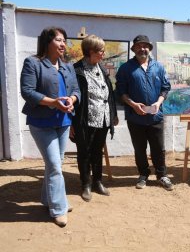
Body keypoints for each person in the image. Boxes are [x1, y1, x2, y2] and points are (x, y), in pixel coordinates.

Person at [20, 26, 80, 227]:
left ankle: (49, 199)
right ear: (47, 42)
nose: (63, 44)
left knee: (55, 163)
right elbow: (27, 92)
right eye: (59, 40)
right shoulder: (33, 63)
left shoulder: (67, 66)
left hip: (63, 122)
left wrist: (71, 99)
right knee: (55, 164)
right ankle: (58, 208)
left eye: (64, 40)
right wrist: (53, 102)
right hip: (41, 122)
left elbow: (76, 90)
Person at [115, 34, 173, 191]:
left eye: (145, 46)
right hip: (136, 118)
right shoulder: (125, 68)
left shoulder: (159, 67)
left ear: (149, 49)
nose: (143, 48)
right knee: (139, 149)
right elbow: (120, 92)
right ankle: (143, 174)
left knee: (159, 148)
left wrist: (158, 103)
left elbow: (165, 88)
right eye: (139, 46)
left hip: (156, 116)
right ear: (133, 49)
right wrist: (133, 105)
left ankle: (162, 175)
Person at [70, 35, 118, 202]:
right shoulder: (76, 70)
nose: (103, 54)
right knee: (84, 152)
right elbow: (72, 96)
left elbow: (109, 93)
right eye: (100, 51)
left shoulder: (102, 69)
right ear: (90, 51)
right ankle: (86, 184)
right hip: (85, 119)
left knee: (97, 151)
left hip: (103, 118)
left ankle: (97, 181)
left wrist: (113, 115)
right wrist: (71, 123)